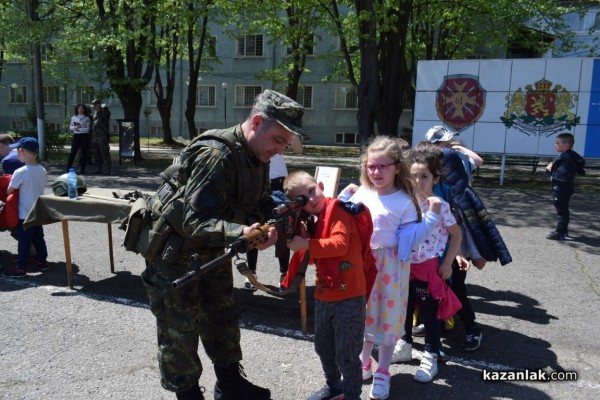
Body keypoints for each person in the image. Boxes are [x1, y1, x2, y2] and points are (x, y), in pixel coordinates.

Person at [141, 89, 307, 400]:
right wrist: (241, 233)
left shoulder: (256, 155)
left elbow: (256, 201)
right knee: (180, 331)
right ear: (256, 122)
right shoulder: (217, 154)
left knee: (222, 317)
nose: (280, 150)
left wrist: (265, 226)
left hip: (211, 250)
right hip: (176, 256)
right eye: (277, 141)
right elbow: (193, 220)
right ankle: (188, 395)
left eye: (285, 144)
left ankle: (230, 384)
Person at [346, 136, 440, 399]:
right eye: (371, 167)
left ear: (397, 167)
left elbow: (411, 239)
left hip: (390, 268)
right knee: (363, 315)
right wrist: (343, 198)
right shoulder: (363, 192)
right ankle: (364, 363)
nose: (376, 172)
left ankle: (383, 372)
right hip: (362, 264)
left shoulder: (403, 201)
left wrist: (431, 217)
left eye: (383, 166)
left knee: (386, 321)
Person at [284, 170, 367, 400]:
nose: (311, 199)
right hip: (325, 294)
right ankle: (334, 386)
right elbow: (313, 259)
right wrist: (299, 240)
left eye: (312, 191)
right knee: (323, 346)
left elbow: (340, 245)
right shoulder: (314, 221)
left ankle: (352, 395)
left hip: (349, 294)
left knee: (347, 353)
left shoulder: (338, 209)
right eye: (302, 199)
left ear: (320, 185)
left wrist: (306, 242)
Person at [392, 145, 462, 383]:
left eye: (424, 176)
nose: (418, 180)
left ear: (436, 178)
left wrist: (449, 262)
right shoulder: (404, 201)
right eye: (413, 175)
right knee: (404, 308)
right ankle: (404, 346)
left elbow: (457, 234)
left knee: (429, 315)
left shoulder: (439, 205)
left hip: (427, 268)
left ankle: (431, 353)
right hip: (403, 268)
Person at [244, 135, 303, 290]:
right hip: (258, 184)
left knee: (284, 227)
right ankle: (251, 272)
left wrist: (290, 133)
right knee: (254, 227)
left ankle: (284, 273)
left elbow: (299, 149)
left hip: (279, 185)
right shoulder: (254, 134)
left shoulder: (279, 134)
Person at [5, 137, 49, 277]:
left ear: (22, 151)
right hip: (38, 212)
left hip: (24, 214)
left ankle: (21, 267)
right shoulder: (42, 169)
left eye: (17, 150)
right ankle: (42, 262)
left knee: (24, 241)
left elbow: (9, 191)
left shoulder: (21, 171)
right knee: (38, 238)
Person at [545, 132, 586, 240]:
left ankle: (560, 232)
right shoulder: (570, 156)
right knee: (563, 210)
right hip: (565, 188)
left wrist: (550, 169)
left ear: (566, 145)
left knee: (562, 210)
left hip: (561, 189)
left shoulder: (566, 158)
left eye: (557, 143)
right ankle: (563, 230)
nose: (555, 145)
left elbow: (561, 176)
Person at [67, 104, 92, 174]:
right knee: (73, 152)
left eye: (82, 109)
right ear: (77, 109)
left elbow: (87, 129)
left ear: (84, 110)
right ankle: (68, 168)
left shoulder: (87, 118)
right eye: (79, 109)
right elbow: (70, 127)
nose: (80, 110)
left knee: (84, 153)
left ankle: (82, 170)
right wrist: (75, 128)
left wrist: (80, 129)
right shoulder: (74, 117)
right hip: (76, 136)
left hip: (84, 136)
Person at [90, 99, 112, 175]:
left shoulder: (104, 111)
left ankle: (106, 170)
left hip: (102, 136)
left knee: (105, 153)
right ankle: (98, 169)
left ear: (99, 104)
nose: (94, 107)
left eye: (96, 105)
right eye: (94, 106)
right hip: (95, 136)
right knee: (96, 153)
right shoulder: (95, 112)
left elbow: (105, 109)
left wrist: (102, 106)